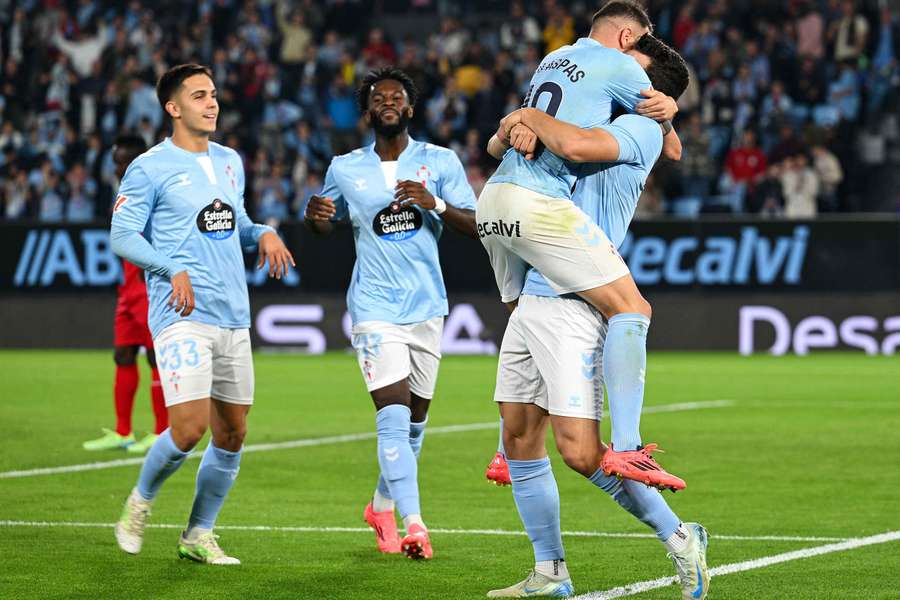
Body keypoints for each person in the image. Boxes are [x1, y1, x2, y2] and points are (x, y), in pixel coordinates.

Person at [484, 36, 708, 600]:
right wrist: (518, 126)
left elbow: (580, 144)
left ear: (651, 92)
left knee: (582, 453)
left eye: (625, 71)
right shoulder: (594, 111)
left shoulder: (638, 129)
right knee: (518, 440)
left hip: (579, 301)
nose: (603, 76)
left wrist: (524, 114)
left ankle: (680, 537)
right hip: (537, 291)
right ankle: (550, 570)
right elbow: (523, 139)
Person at [479, 1, 684, 491]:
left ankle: (510, 445)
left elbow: (558, 143)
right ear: (626, 37)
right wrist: (521, 121)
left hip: (515, 215)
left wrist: (521, 118)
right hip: (554, 235)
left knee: (522, 320)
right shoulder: (615, 77)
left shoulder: (573, 75)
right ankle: (630, 448)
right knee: (630, 310)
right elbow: (568, 140)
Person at [110, 63, 295, 565]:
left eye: (213, 94)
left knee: (233, 433)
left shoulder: (230, 160)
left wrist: (264, 233)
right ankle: (140, 501)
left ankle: (198, 533)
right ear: (173, 108)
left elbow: (233, 223)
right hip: (181, 311)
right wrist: (171, 268)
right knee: (189, 427)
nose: (211, 103)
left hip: (232, 313)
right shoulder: (149, 166)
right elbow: (122, 236)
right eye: (198, 96)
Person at [304, 67, 477, 560]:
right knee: (394, 417)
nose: (387, 102)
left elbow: (477, 223)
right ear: (367, 111)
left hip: (426, 305)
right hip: (374, 306)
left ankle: (380, 505)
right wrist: (313, 219)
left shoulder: (440, 161)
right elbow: (323, 219)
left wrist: (436, 203)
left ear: (410, 109)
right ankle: (414, 524)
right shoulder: (344, 167)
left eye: (396, 97)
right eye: (378, 97)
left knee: (416, 422)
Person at [83, 135, 168, 455]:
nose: (117, 167)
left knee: (155, 357)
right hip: (127, 285)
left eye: (122, 161)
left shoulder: (152, 190)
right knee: (123, 354)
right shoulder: (126, 191)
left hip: (147, 285)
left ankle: (162, 432)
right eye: (115, 161)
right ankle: (123, 432)